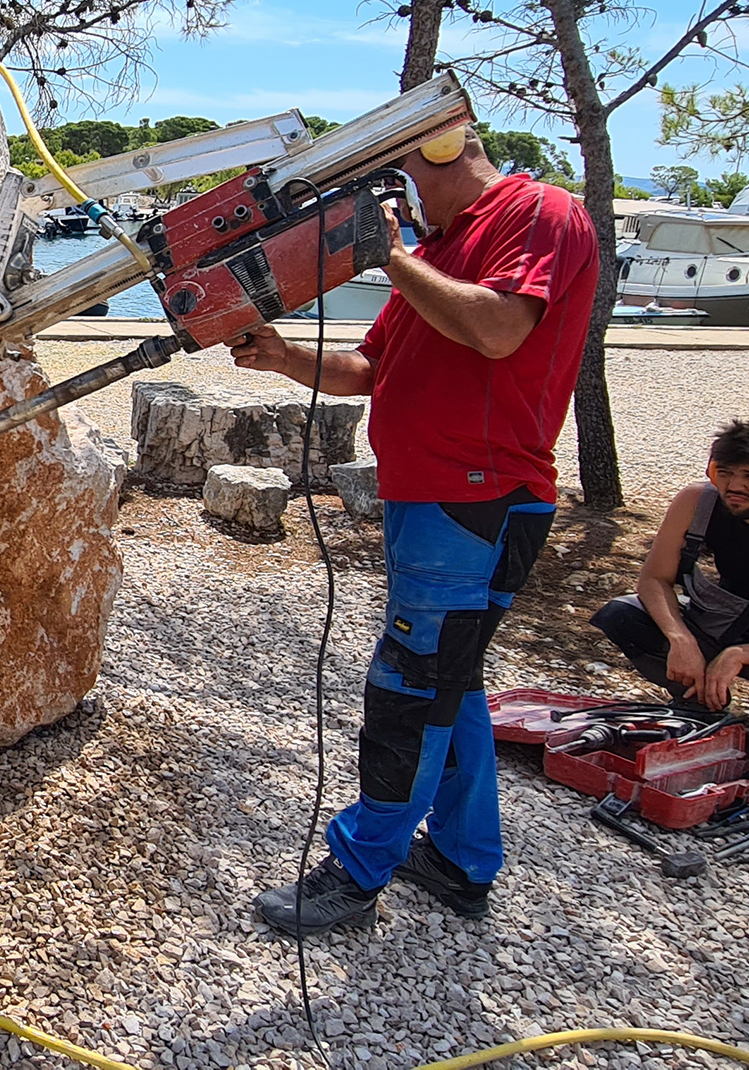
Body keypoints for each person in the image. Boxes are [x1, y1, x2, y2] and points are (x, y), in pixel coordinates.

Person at [227, 124, 598, 936]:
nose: (402, 202)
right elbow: (368, 370)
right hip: (430, 498)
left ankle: (358, 873)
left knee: (409, 685)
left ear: (445, 150)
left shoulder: (538, 212)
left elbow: (501, 329)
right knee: (450, 681)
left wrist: (391, 255)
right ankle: (463, 862)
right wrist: (285, 356)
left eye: (406, 180)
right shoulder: (446, 249)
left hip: (477, 498)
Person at [590, 421, 749, 709]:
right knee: (623, 615)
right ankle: (701, 705)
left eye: (748, 476)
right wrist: (681, 639)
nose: (735, 486)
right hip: (727, 623)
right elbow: (654, 580)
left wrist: (738, 655)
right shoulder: (697, 502)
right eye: (725, 473)